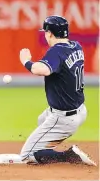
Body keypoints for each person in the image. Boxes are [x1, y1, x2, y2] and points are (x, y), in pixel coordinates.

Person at [18, 15, 96, 166]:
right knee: (42, 121)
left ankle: (69, 155)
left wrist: (25, 61)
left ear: (49, 33)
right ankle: (46, 149)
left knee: (27, 156)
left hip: (63, 118)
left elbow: (42, 70)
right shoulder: (76, 46)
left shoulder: (56, 52)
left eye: (46, 32)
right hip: (79, 110)